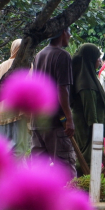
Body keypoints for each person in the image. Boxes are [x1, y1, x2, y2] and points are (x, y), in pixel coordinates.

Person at [30, 27, 77, 177]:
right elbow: (62, 89)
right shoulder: (62, 56)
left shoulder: (39, 55)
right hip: (56, 122)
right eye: (69, 33)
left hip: (38, 120)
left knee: (38, 168)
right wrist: (69, 119)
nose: (70, 36)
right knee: (65, 169)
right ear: (63, 32)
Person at [0, 39, 29, 158]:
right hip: (19, 113)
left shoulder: (2, 65)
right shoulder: (28, 65)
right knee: (18, 149)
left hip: (0, 113)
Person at [70, 43, 105, 171]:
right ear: (90, 59)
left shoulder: (88, 78)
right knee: (87, 159)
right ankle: (85, 187)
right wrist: (96, 131)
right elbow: (90, 110)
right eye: (97, 57)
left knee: (89, 157)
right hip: (88, 128)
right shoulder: (86, 82)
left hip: (90, 127)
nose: (99, 61)